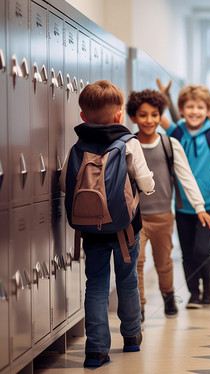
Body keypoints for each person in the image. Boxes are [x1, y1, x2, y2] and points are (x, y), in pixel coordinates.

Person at [59, 80, 155, 367]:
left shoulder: (78, 146)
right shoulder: (129, 143)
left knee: (96, 286)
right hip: (126, 228)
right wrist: (148, 189)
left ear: (83, 117)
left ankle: (96, 350)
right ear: (119, 116)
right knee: (127, 281)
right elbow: (145, 180)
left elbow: (65, 182)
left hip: (91, 230)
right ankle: (131, 336)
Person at [126, 89, 210, 321]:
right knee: (138, 262)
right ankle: (140, 308)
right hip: (135, 217)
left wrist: (199, 208)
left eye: (154, 115)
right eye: (143, 115)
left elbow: (186, 177)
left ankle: (168, 296)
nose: (149, 120)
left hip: (164, 216)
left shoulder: (170, 144)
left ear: (160, 116)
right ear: (133, 117)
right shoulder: (128, 144)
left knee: (164, 262)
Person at [158, 59, 210, 308]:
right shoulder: (176, 132)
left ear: (209, 111)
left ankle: (209, 289)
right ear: (181, 110)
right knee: (187, 253)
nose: (194, 111)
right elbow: (155, 115)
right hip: (182, 206)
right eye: (190, 107)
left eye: (200, 107)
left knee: (203, 250)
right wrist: (164, 96)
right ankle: (194, 293)